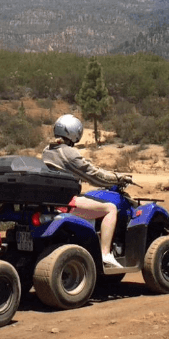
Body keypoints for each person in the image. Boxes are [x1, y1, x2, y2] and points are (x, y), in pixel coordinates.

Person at [41, 114, 133, 269]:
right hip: (67, 201)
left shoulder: (47, 150)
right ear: (74, 133)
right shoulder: (69, 152)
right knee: (110, 209)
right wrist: (118, 178)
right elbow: (95, 175)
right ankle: (106, 254)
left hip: (51, 199)